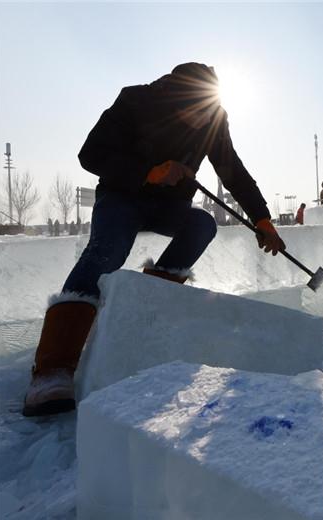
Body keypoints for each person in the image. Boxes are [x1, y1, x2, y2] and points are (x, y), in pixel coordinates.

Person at [22, 62, 285, 417]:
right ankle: (52, 369)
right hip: (122, 196)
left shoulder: (214, 117)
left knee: (202, 225)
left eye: (207, 114)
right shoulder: (136, 100)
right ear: (175, 96)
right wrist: (149, 171)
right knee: (109, 249)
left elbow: (232, 171)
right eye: (195, 112)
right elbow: (90, 154)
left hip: (168, 206)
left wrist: (262, 218)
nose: (200, 122)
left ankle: (147, 307)